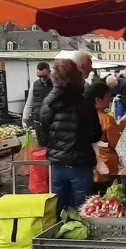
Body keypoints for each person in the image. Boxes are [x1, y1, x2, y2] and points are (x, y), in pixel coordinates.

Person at [40, 59, 100, 210]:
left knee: (58, 212)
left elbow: (43, 137)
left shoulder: (48, 102)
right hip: (81, 164)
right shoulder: (85, 102)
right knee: (83, 211)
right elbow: (95, 135)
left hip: (58, 164)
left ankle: (59, 233)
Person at [87, 80, 122, 183]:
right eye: (107, 96)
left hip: (91, 166)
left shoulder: (85, 116)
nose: (110, 99)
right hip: (107, 166)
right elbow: (117, 144)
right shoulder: (106, 119)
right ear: (98, 100)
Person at [23, 61, 53, 146]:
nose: (42, 78)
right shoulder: (34, 85)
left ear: (50, 72)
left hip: (53, 124)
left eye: (44, 76)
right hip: (38, 123)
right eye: (39, 76)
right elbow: (29, 104)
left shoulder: (57, 85)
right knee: (41, 146)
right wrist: (24, 119)